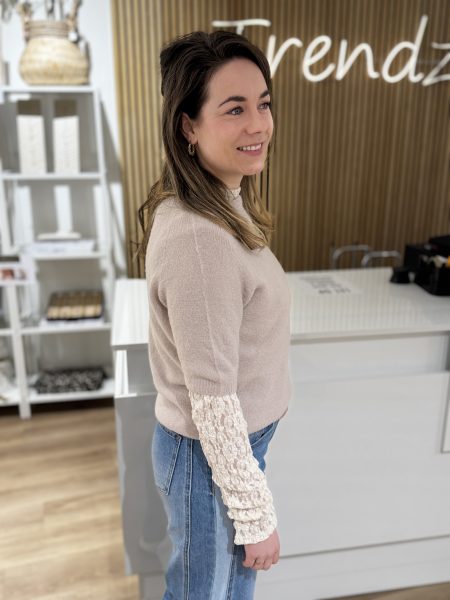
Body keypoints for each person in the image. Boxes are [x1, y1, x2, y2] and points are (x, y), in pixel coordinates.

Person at [136, 29, 292, 600]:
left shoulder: (222, 203)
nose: (258, 124)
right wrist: (256, 516)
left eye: (263, 104)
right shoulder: (199, 240)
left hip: (227, 455)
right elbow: (214, 402)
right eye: (234, 109)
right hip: (210, 459)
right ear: (189, 127)